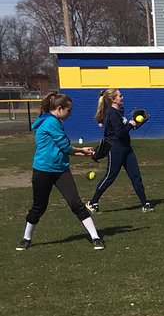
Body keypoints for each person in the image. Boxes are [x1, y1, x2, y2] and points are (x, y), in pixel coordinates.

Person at [17, 92, 105, 251]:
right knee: (39, 206)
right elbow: (65, 146)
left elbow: (62, 148)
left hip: (60, 170)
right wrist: (82, 151)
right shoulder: (51, 122)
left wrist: (83, 152)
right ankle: (26, 238)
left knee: (76, 203)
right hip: (43, 170)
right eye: (68, 111)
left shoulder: (53, 121)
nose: (69, 114)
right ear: (59, 109)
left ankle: (96, 237)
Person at [87, 88, 152, 213]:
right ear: (113, 99)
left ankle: (145, 203)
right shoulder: (112, 113)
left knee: (135, 175)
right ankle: (92, 202)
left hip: (126, 148)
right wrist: (131, 124)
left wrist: (132, 125)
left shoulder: (118, 112)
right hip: (116, 149)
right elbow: (119, 133)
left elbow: (122, 130)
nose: (122, 98)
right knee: (110, 177)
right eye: (120, 96)